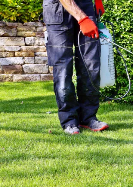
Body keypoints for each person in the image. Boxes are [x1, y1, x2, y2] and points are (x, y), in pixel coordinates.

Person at [43, 0, 109, 134]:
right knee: (63, 70)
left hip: (85, 6)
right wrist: (82, 19)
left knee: (91, 66)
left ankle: (88, 117)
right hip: (57, 10)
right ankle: (69, 121)